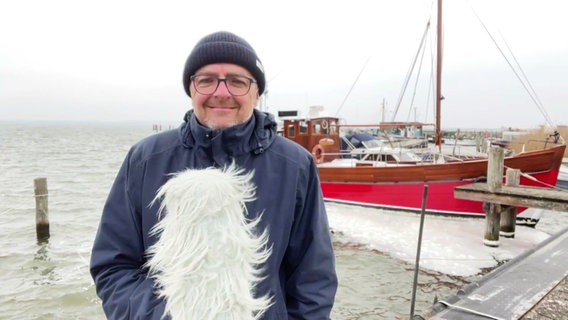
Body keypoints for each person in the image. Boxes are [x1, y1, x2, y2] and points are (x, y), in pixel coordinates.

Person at [90, 30, 338, 319]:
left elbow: (313, 277)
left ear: (257, 92)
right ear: (191, 89)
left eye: (237, 81)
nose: (222, 92)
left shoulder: (295, 165)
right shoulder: (145, 158)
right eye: (206, 80)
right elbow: (113, 265)